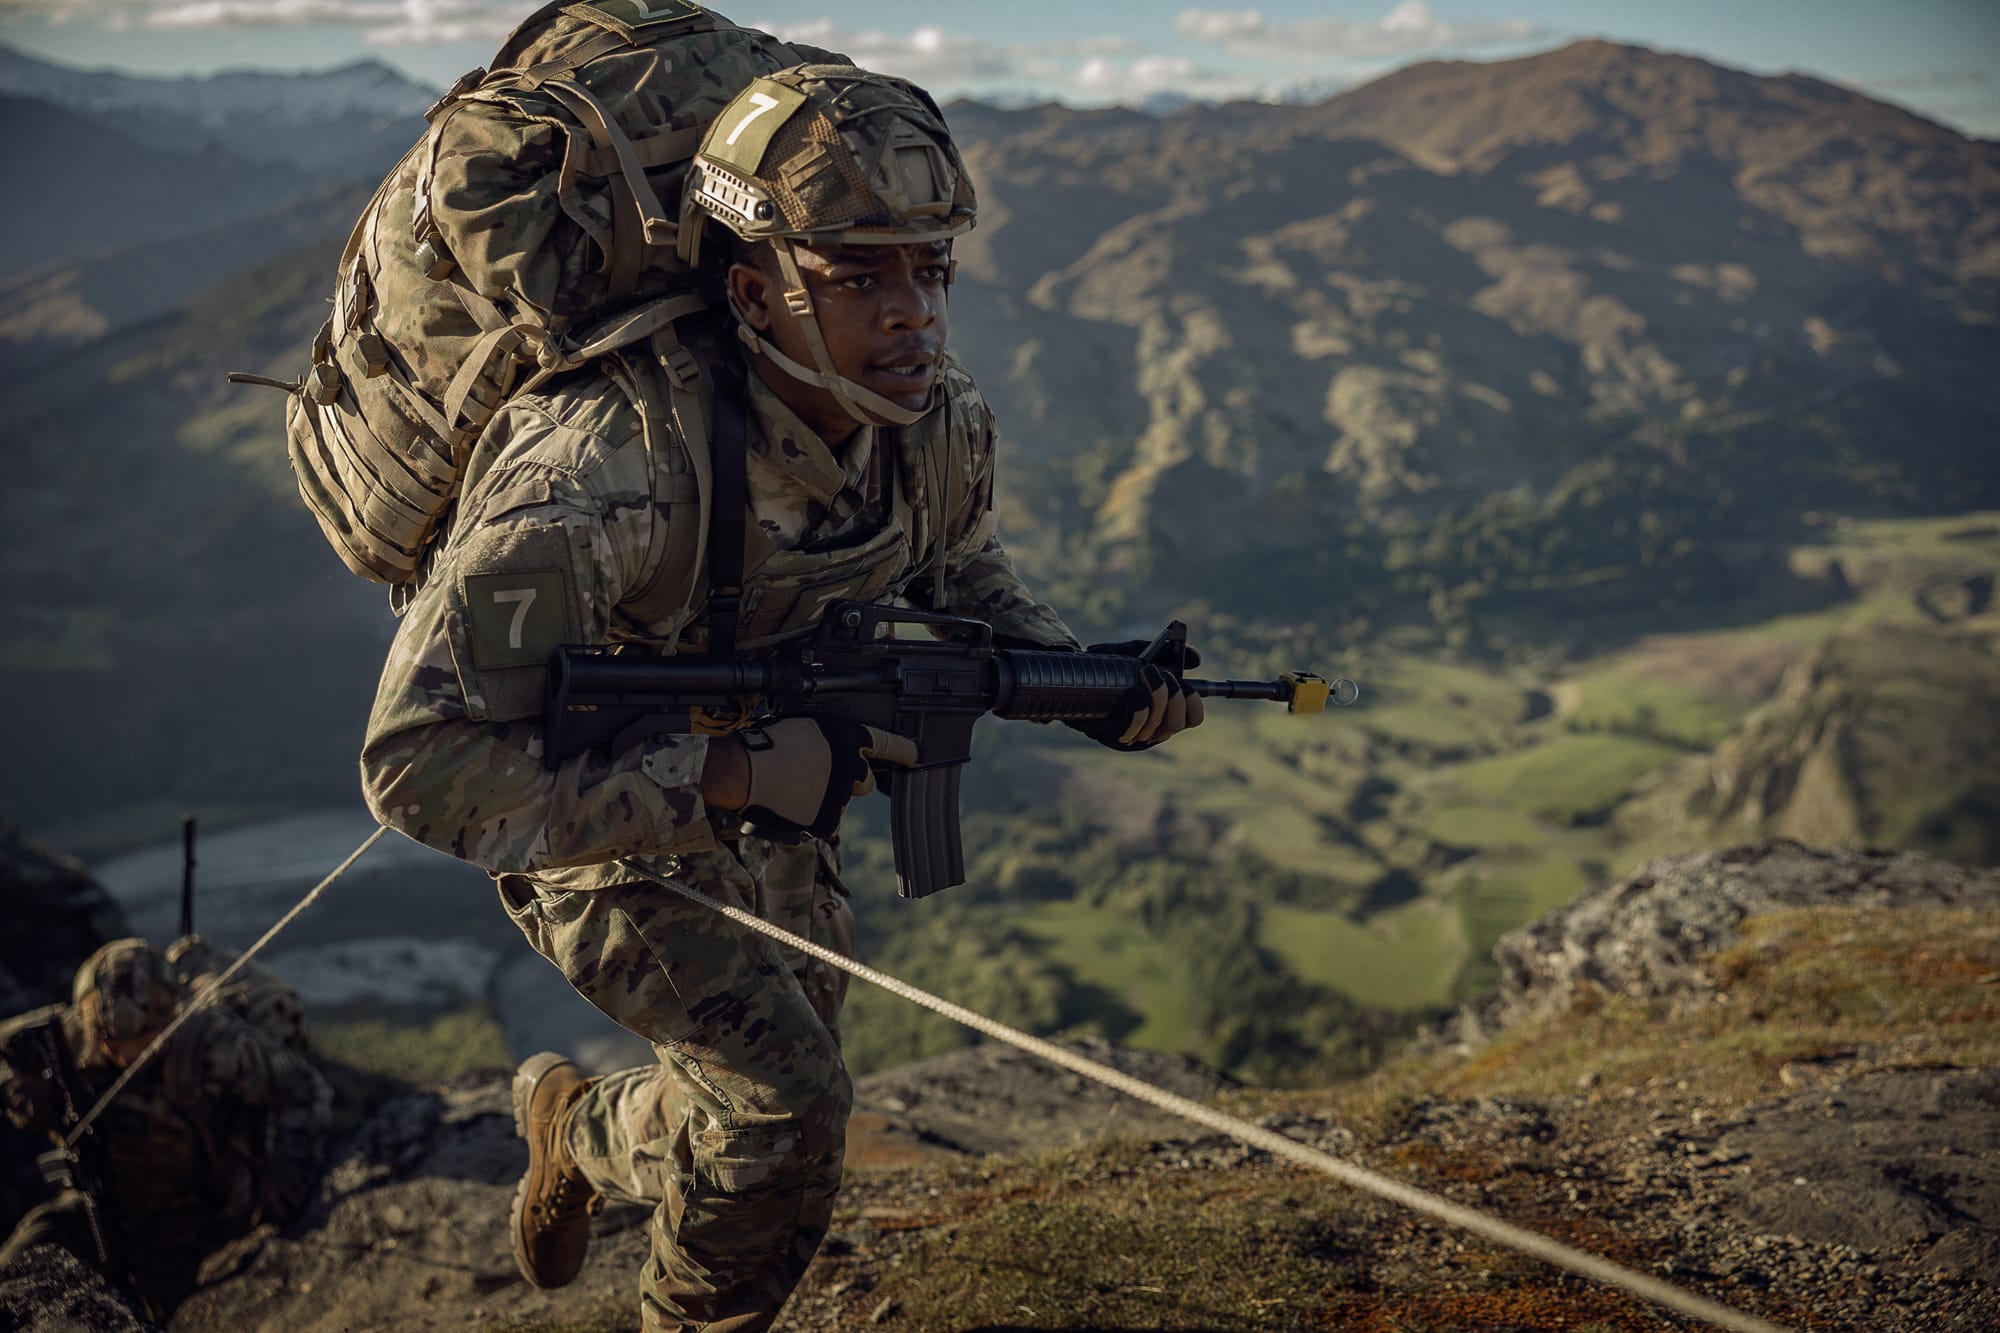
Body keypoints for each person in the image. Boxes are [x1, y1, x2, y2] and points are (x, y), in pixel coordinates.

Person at [359, 64, 1201, 1333]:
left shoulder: (931, 420)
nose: (913, 312)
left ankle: (577, 1132)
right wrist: (732, 779)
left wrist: (1082, 679)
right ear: (753, 288)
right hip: (591, 811)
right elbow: (419, 765)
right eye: (860, 276)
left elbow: (960, 571)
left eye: (930, 270)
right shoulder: (603, 472)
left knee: (756, 1089)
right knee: (785, 1110)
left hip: (777, 791)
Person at [0, 938, 331, 1318]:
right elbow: (8, 1060)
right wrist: (21, 1092)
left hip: (200, 1215)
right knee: (23, 1261)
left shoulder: (214, 1043)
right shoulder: (67, 1040)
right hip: (97, 1206)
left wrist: (285, 1171)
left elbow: (304, 1088)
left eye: (141, 1041)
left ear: (167, 1018)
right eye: (110, 1041)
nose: (125, 1056)